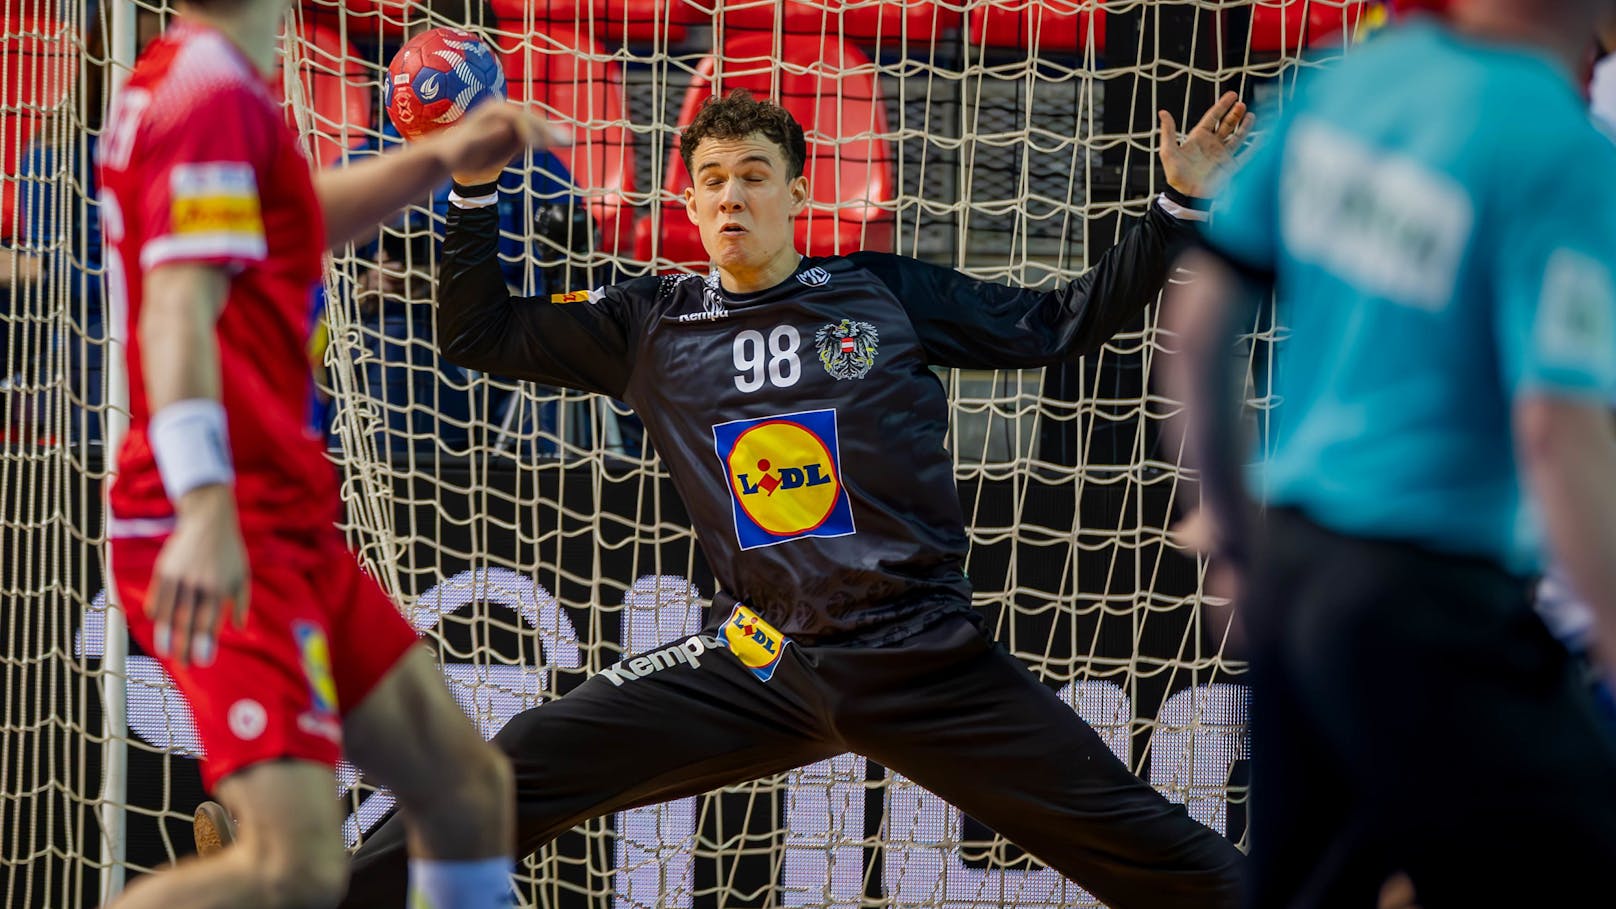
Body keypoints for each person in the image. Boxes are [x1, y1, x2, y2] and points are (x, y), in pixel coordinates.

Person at [299, 87, 1256, 907]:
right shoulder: (651, 321)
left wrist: (1173, 209)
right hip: (761, 658)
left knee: (1147, 846)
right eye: (712, 179)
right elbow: (479, 334)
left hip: (919, 660)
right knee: (512, 764)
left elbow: (1057, 325)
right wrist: (473, 188)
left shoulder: (880, 294)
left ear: (799, 191)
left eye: (754, 175)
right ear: (688, 201)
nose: (732, 196)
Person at [1163, 0, 1616, 904]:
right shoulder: (1560, 146)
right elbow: (1555, 428)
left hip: (1296, 572)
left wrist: (1234, 535)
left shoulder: (1351, 84)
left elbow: (1199, 325)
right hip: (1430, 595)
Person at [98, 1, 548, 906]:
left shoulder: (219, 83)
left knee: (468, 791)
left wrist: (437, 160)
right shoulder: (207, 92)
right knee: (291, 868)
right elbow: (175, 307)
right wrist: (206, 502)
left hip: (289, 518)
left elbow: (288, 223)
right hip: (230, 517)